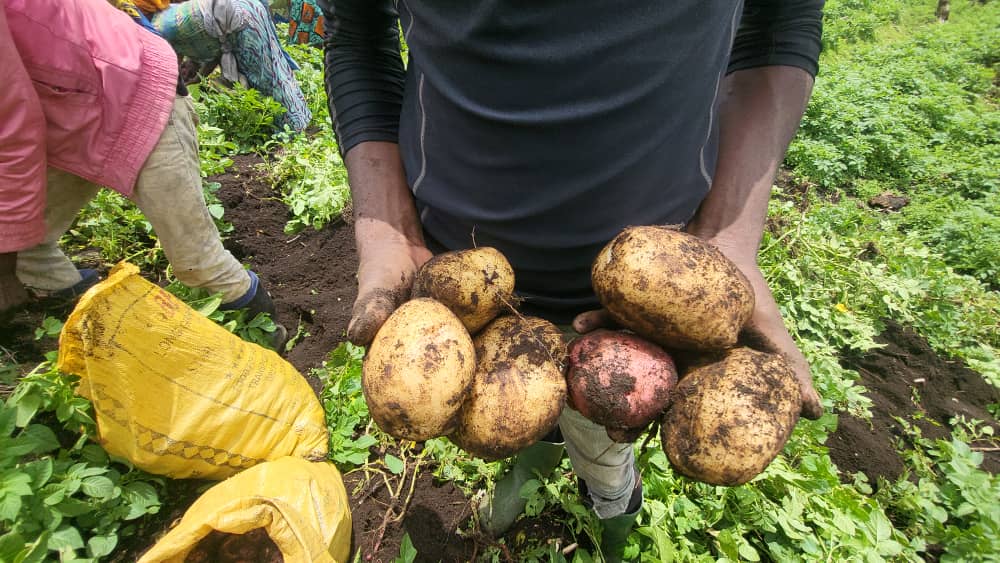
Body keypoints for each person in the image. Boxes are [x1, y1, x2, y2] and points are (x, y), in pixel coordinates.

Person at [319, 1, 826, 560]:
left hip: (645, 314)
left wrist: (732, 231)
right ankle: (530, 474)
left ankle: (614, 519)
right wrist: (388, 226)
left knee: (602, 452)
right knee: (521, 422)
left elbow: (782, 18)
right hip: (466, 303)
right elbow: (357, 29)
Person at [0, 0, 286, 348]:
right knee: (25, 245)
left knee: (195, 260)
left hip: (136, 90)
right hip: (69, 111)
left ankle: (266, 335)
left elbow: (12, 131)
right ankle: (89, 319)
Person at [148, 0, 312, 132]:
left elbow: (171, 79)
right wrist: (199, 76)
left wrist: (186, 86)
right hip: (247, 9)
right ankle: (299, 119)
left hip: (242, 19)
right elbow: (217, 47)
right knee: (275, 70)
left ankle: (291, 132)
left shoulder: (158, 30)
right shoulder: (170, 14)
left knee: (264, 79)